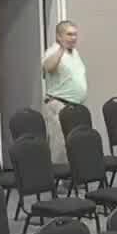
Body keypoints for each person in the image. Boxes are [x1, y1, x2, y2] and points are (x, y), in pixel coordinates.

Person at [40, 20, 87, 163]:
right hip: (58, 105)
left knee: (75, 144)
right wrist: (61, 49)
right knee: (59, 147)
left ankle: (73, 175)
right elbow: (48, 67)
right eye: (69, 34)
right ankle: (58, 175)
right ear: (59, 36)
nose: (73, 38)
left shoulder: (74, 52)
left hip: (74, 106)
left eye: (75, 34)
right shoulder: (53, 51)